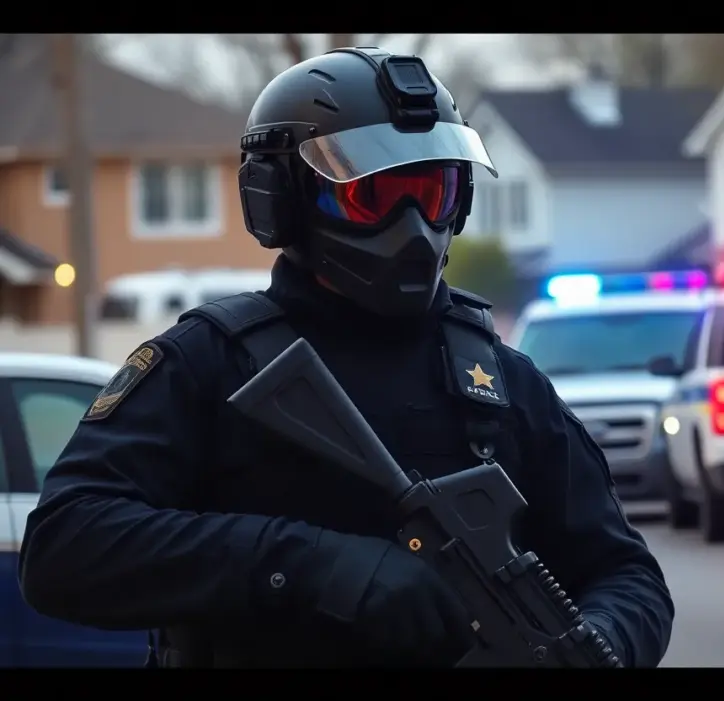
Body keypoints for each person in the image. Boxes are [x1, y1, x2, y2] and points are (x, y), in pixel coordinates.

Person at [18, 48, 674, 668]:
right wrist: (311, 566)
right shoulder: (207, 365)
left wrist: (598, 641)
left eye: (433, 193)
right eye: (373, 196)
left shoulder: (504, 384)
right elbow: (63, 547)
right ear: (282, 197)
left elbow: (627, 574)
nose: (414, 227)